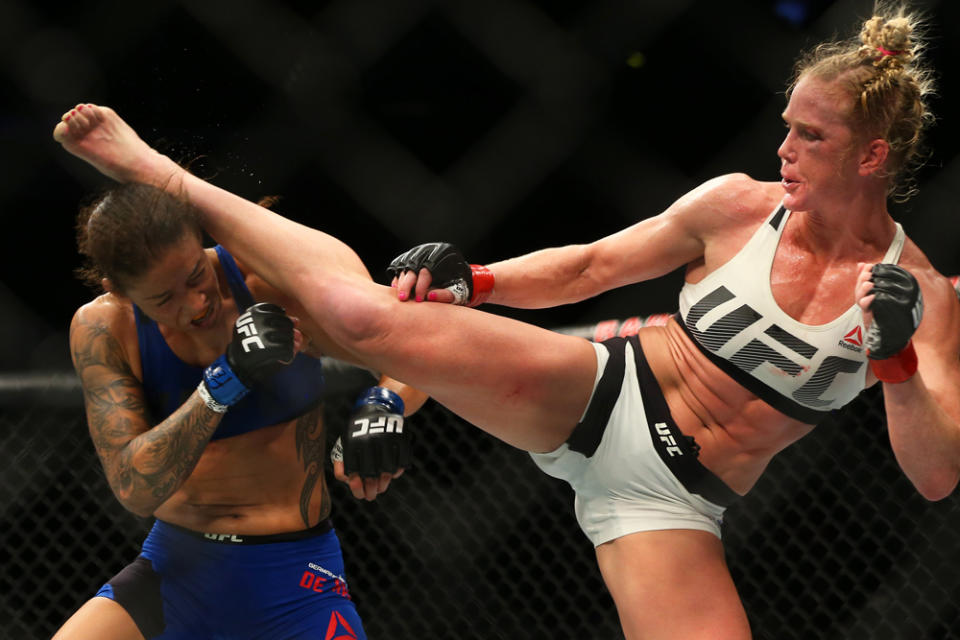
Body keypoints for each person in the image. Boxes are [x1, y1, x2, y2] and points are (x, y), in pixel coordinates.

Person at [53, 5, 960, 638]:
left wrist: (893, 363)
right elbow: (592, 267)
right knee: (358, 310)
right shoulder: (736, 206)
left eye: (810, 136)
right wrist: (477, 280)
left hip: (670, 497)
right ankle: (167, 174)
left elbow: (932, 475)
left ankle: (397, 389)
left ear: (872, 156)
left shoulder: (922, 292)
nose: (783, 148)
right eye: (788, 126)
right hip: (598, 391)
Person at [50, 177, 427, 640]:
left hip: (296, 576)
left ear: (201, 238)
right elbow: (134, 487)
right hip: (176, 573)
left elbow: (415, 348)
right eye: (164, 298)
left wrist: (383, 403)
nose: (194, 304)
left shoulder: (266, 280)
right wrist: (224, 383)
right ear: (120, 290)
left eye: (194, 275)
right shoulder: (104, 327)